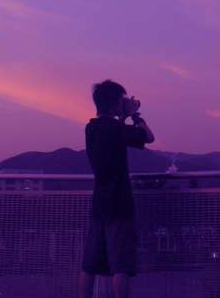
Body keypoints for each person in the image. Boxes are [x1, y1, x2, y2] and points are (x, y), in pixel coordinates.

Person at [79, 79, 155, 298]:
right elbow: (149, 137)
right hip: (119, 204)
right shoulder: (117, 129)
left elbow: (113, 131)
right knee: (121, 265)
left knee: (89, 265)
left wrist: (121, 116)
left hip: (99, 204)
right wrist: (134, 115)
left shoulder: (91, 128)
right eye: (122, 100)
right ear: (115, 103)